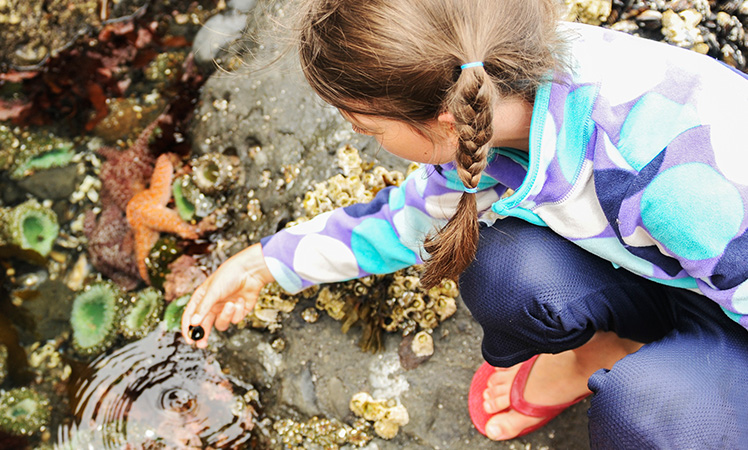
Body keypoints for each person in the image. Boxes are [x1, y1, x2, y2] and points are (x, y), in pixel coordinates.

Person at [180, 0, 748, 446]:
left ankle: (675, 380)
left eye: (369, 130)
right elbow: (409, 222)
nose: (362, 137)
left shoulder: (675, 176)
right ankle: (601, 349)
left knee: (650, 421)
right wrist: (266, 263)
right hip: (675, 271)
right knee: (498, 264)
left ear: (445, 118)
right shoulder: (496, 100)